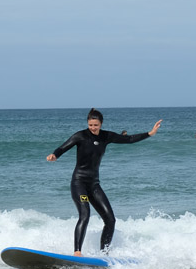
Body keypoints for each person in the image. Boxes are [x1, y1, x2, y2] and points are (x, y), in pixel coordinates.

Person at [46, 108, 162, 256]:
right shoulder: (80, 136)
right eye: (90, 125)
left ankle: (104, 254)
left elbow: (129, 139)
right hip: (79, 182)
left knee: (110, 220)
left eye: (96, 125)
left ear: (101, 124)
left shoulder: (106, 136)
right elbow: (62, 148)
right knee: (85, 215)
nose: (93, 128)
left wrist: (150, 134)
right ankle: (77, 252)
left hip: (94, 184)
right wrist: (54, 155)